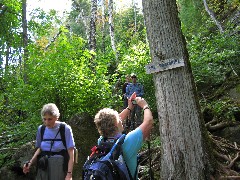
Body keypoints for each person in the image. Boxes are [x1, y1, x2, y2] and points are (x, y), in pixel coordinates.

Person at [94, 92, 153, 179]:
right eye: (119, 120)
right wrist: (144, 105)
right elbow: (148, 122)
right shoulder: (128, 141)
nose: (121, 120)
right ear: (116, 123)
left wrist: (129, 108)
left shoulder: (102, 140)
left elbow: (110, 121)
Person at [23, 103, 75, 180]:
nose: (47, 122)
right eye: (44, 119)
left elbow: (71, 152)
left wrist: (69, 174)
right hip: (43, 165)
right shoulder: (41, 129)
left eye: (50, 119)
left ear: (56, 117)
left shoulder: (65, 129)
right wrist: (30, 163)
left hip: (58, 166)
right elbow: (40, 149)